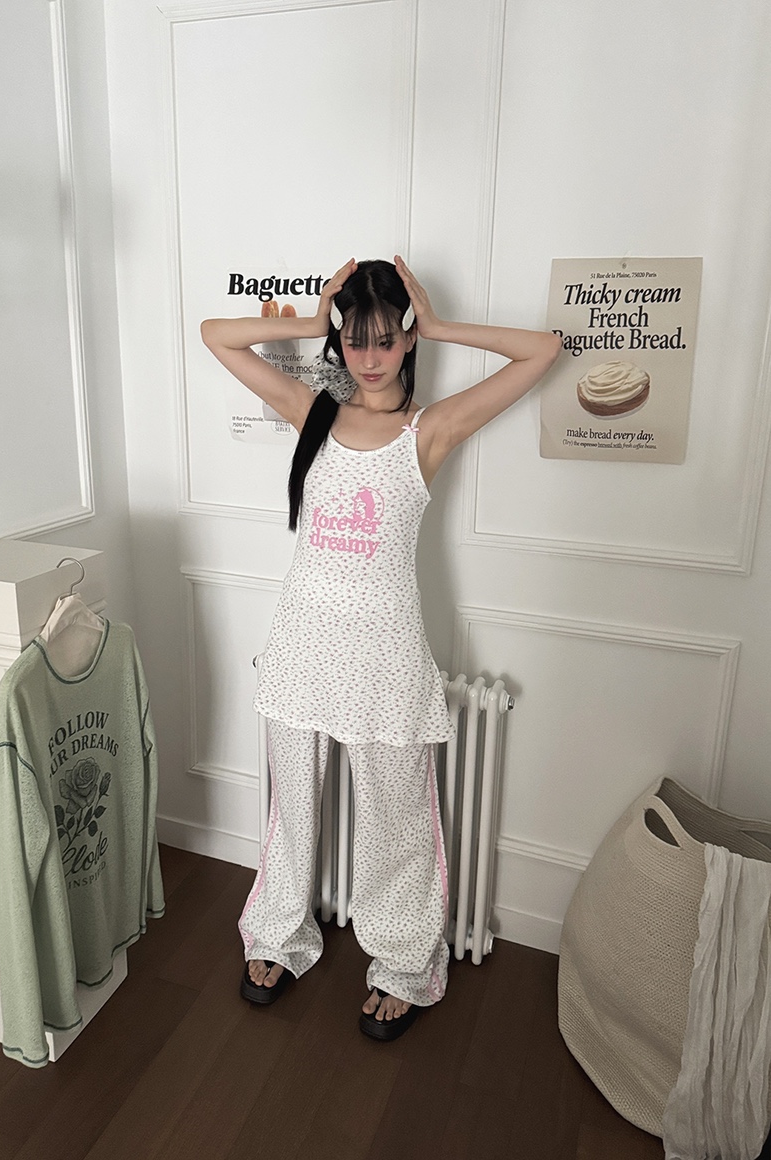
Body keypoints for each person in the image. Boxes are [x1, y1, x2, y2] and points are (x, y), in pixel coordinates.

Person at [200, 256, 561, 1040]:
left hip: (386, 658)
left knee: (398, 825)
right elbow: (215, 335)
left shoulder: (430, 430)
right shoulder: (313, 412)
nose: (368, 356)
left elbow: (543, 350)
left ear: (406, 339)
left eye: (385, 338)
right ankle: (277, 938)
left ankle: (402, 965)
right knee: (290, 814)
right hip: (300, 646)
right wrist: (310, 319)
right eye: (354, 339)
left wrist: (441, 322)